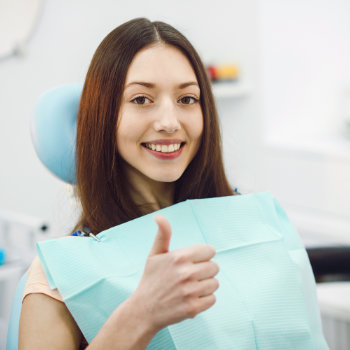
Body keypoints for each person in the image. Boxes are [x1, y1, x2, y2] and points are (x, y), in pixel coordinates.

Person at [19, 18, 236, 349]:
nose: (169, 122)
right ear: (103, 116)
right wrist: (140, 316)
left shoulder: (244, 222)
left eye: (187, 99)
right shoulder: (58, 276)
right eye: (140, 99)